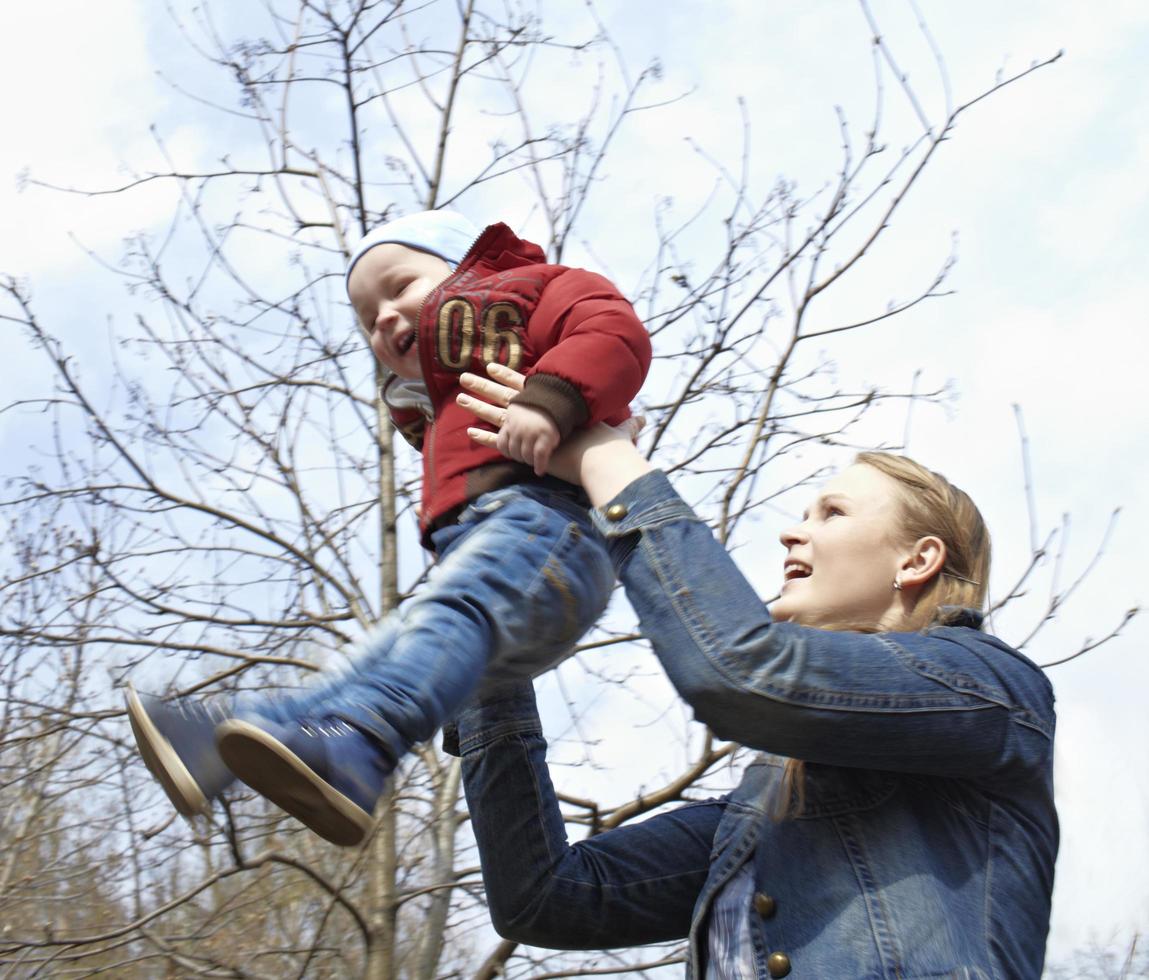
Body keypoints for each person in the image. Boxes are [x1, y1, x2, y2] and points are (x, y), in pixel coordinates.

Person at [446, 362, 1058, 979]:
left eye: (832, 513)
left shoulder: (992, 691)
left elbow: (740, 669)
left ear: (918, 559)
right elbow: (546, 897)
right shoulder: (759, 810)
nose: (793, 533)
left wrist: (606, 464)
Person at [125, 211, 651, 847]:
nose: (386, 319)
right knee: (376, 654)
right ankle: (229, 740)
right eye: (368, 318)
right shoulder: (432, 399)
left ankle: (364, 742)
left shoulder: (530, 290)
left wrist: (552, 400)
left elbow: (613, 332)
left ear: (468, 266)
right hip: (496, 547)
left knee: (444, 619)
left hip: (550, 530)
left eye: (400, 287)